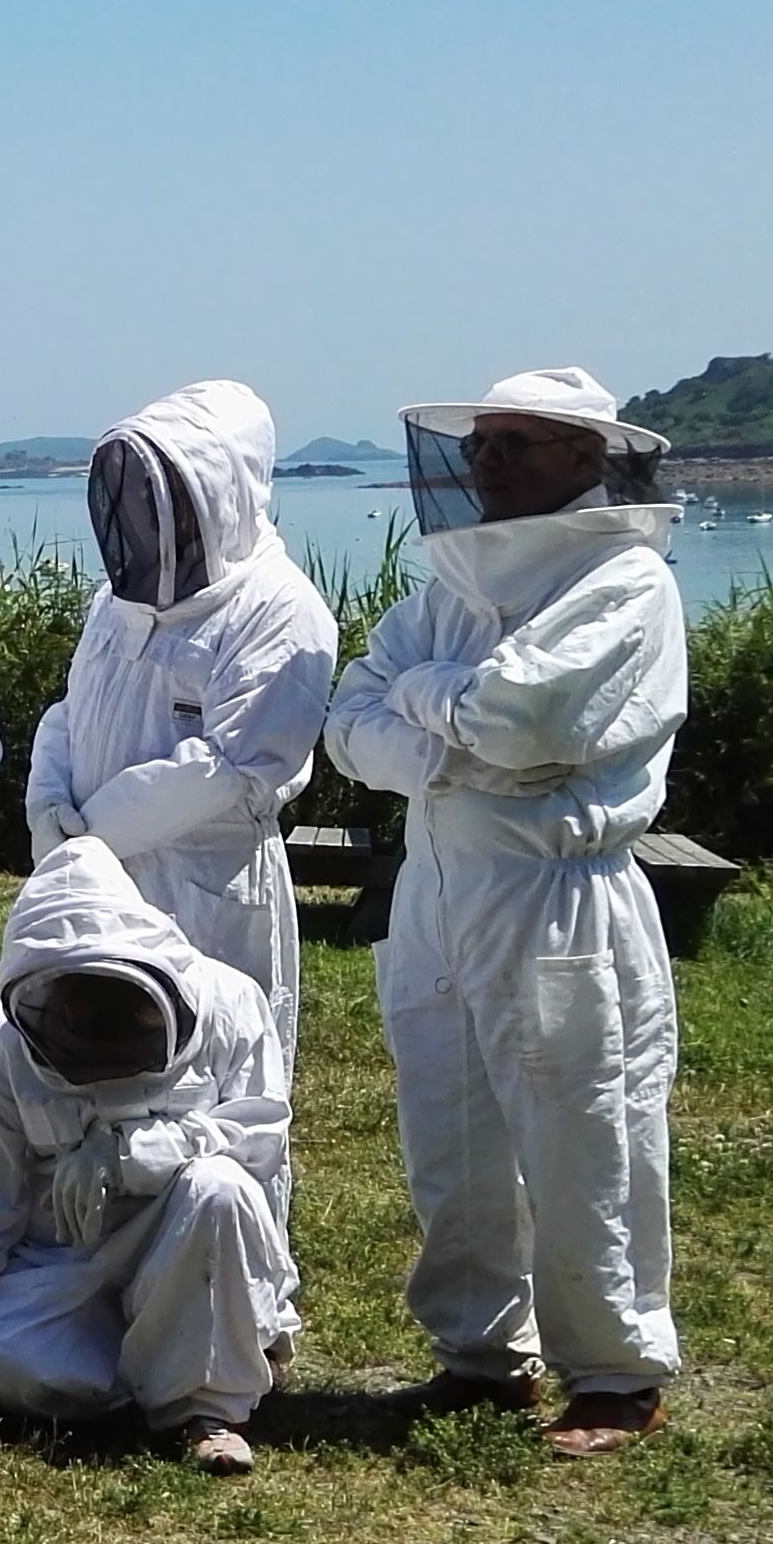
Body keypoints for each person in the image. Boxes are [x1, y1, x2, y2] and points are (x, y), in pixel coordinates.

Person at [322, 366, 689, 1459]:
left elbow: (518, 720)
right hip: (435, 882)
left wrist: (428, 711)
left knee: (585, 1127)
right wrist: (445, 737)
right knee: (453, 1124)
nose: (485, 460)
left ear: (584, 457)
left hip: (552, 888)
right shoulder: (450, 586)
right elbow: (347, 720)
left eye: (516, 442)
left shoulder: (621, 581)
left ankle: (616, 1372)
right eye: (479, 442)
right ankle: (481, 1354)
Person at [0, 839, 298, 1473]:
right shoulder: (6, 1040)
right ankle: (153, 1375)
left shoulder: (230, 1004)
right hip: (65, 1255)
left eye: (121, 1020)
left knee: (220, 1187)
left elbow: (260, 1140)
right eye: (74, 1018)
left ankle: (205, 1408)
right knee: (12, 1373)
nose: (98, 1038)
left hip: (190, 1239)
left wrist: (138, 1152)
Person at [23, 381, 336, 1050]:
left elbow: (228, 769)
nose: (140, 506)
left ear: (222, 490)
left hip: (203, 889)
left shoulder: (281, 609)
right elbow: (71, 713)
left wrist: (86, 841)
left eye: (159, 487)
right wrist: (47, 806)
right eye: (134, 487)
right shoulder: (116, 600)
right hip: (94, 880)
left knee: (212, 1081)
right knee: (86, 1079)